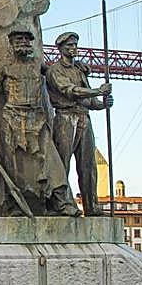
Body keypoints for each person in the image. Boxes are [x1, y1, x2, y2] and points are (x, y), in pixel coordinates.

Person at [0, 30, 78, 217]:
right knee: (15, 166)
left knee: (52, 162)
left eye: (26, 40)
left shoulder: (39, 66)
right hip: (12, 119)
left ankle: (62, 202)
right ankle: (17, 206)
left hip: (37, 119)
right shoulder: (6, 68)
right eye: (18, 40)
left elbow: (58, 75)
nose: (23, 43)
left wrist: (78, 69)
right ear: (12, 44)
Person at [46, 31, 113, 216]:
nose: (73, 48)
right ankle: (60, 205)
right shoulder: (54, 71)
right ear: (60, 49)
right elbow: (71, 92)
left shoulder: (79, 71)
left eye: (75, 45)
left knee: (88, 165)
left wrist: (102, 104)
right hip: (65, 119)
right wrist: (98, 91)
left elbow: (89, 100)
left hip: (84, 118)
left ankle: (91, 206)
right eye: (69, 45)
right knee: (62, 165)